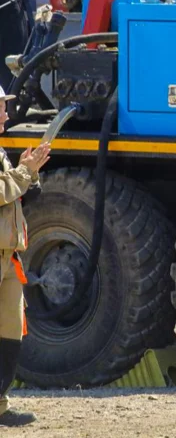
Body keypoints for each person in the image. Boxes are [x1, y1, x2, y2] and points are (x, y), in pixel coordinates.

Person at [0, 85, 50, 427]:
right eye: (1, 108)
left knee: (10, 333)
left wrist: (25, 174)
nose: (6, 114)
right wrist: (24, 173)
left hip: (7, 256)